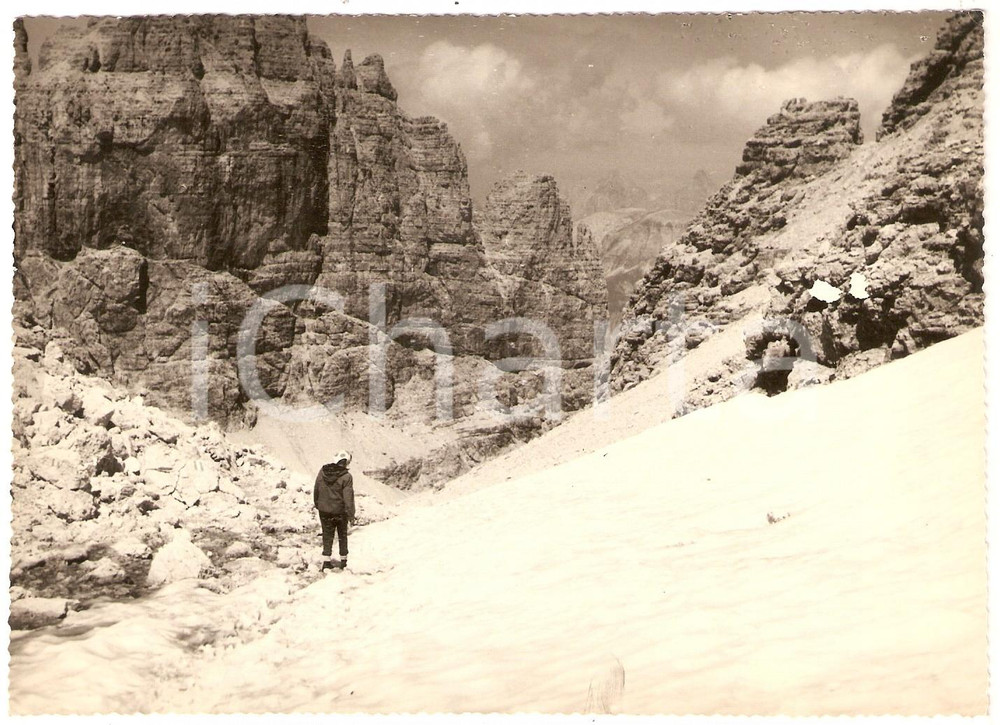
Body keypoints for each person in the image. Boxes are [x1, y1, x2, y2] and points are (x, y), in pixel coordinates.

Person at [313, 450, 355, 571]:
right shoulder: (346, 476)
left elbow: (317, 487)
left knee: (327, 534)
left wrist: (317, 503)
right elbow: (348, 498)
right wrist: (351, 514)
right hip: (340, 511)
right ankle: (343, 561)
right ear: (346, 462)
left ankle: (326, 561)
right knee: (342, 535)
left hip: (324, 510)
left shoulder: (323, 471)